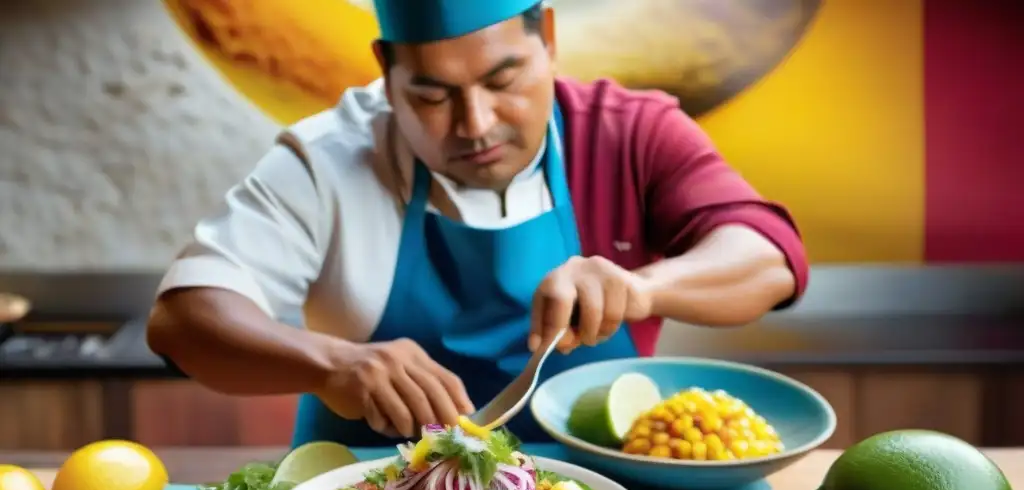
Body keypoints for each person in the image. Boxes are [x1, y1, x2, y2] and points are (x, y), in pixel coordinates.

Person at [146, 0, 809, 449]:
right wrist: (331, 362)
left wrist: (644, 289)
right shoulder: (326, 159)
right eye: (431, 96)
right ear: (387, 69)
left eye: (504, 79)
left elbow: (768, 257)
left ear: (546, 38)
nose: (476, 124)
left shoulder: (631, 133)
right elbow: (183, 321)